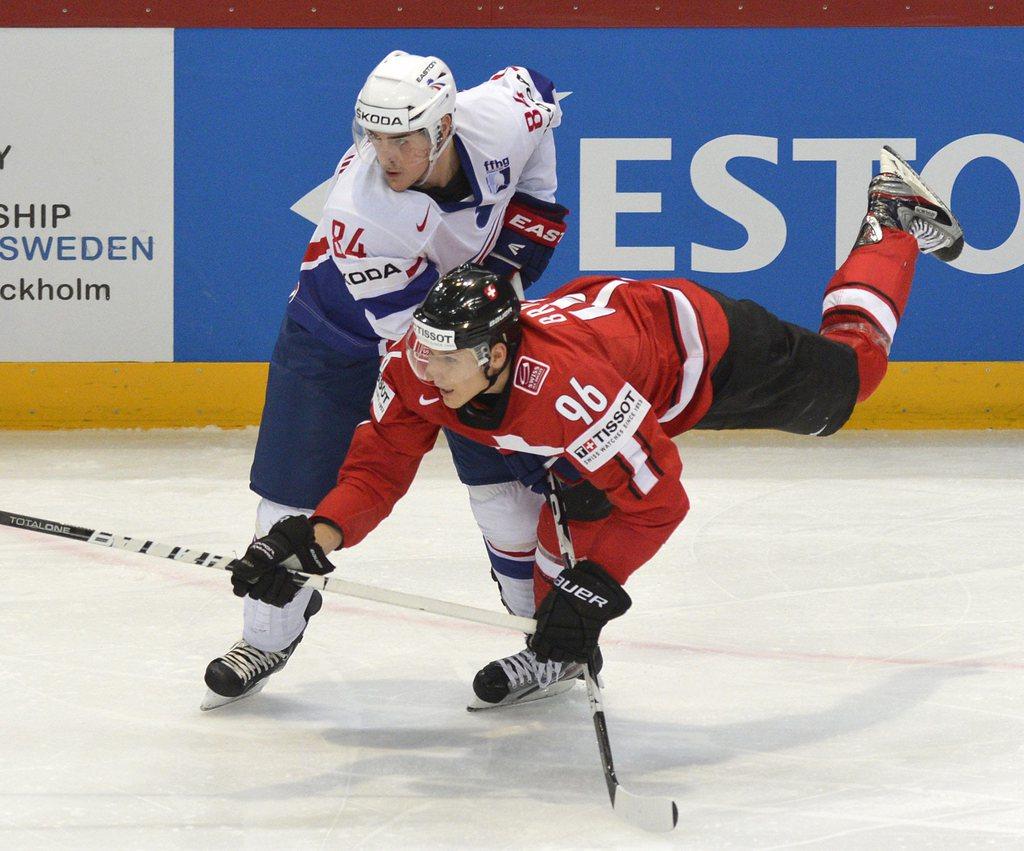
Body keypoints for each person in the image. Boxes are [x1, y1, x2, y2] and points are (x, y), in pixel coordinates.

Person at [226, 146, 964, 710]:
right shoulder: (425, 364)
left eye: (446, 358)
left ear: (492, 354)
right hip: (610, 354)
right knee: (567, 522)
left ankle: (891, 221)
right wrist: (314, 536)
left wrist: (596, 588)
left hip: (702, 353)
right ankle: (558, 650)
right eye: (425, 348)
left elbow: (662, 499)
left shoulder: (569, 398)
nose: (428, 370)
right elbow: (377, 466)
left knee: (853, 377)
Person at [202, 50, 568, 710]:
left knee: (507, 496)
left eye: (402, 137)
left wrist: (524, 238)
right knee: (288, 506)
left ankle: (550, 639)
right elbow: (423, 350)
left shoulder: (499, 119)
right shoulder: (364, 214)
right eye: (374, 134)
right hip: (334, 338)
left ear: (445, 128)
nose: (385, 153)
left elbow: (539, 104)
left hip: (454, 331)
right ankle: (267, 635)